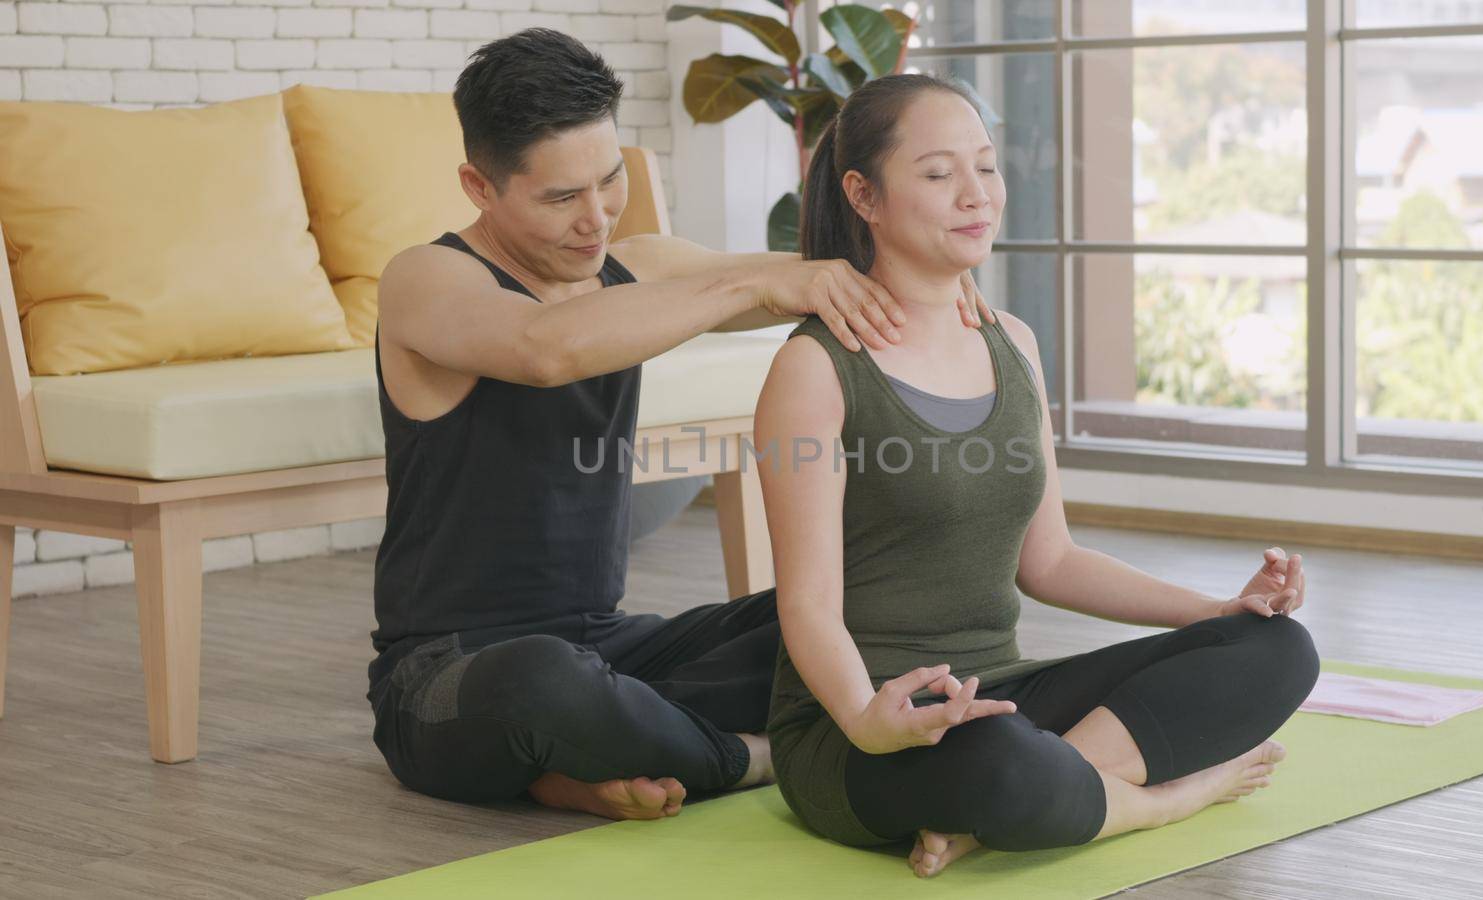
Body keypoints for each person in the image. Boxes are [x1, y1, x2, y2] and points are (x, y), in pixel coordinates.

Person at [364, 30, 1001, 821]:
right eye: (561, 198)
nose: (595, 221)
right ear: (479, 186)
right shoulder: (425, 278)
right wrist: (759, 278)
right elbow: (546, 349)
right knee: (542, 684)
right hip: (448, 675)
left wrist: (940, 288)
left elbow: (816, 282)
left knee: (873, 605)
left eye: (609, 182)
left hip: (615, 652)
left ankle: (595, 758)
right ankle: (755, 759)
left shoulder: (642, 263)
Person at [754, 72, 1322, 877]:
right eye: (938, 172)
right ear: (864, 195)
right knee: (1000, 759)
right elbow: (806, 603)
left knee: (1279, 649)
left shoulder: (1011, 343)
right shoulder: (814, 369)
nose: (974, 194)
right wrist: (863, 717)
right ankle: (1172, 796)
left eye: (985, 167)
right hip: (863, 730)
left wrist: (1216, 611)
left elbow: (1049, 559)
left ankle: (1030, 800)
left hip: (1001, 696)